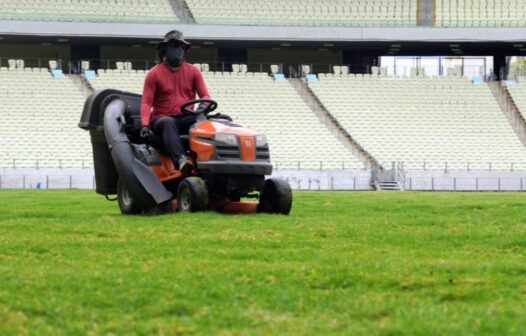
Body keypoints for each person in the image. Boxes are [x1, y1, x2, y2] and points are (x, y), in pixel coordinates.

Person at [140, 30, 210, 175]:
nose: (177, 50)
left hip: (186, 116)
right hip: (162, 118)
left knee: (216, 121)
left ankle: (209, 160)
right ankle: (181, 160)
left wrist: (203, 107)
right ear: (164, 49)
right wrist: (145, 124)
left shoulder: (193, 71)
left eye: (181, 47)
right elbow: (146, 102)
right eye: (174, 46)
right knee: (167, 122)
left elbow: (205, 95)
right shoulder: (153, 74)